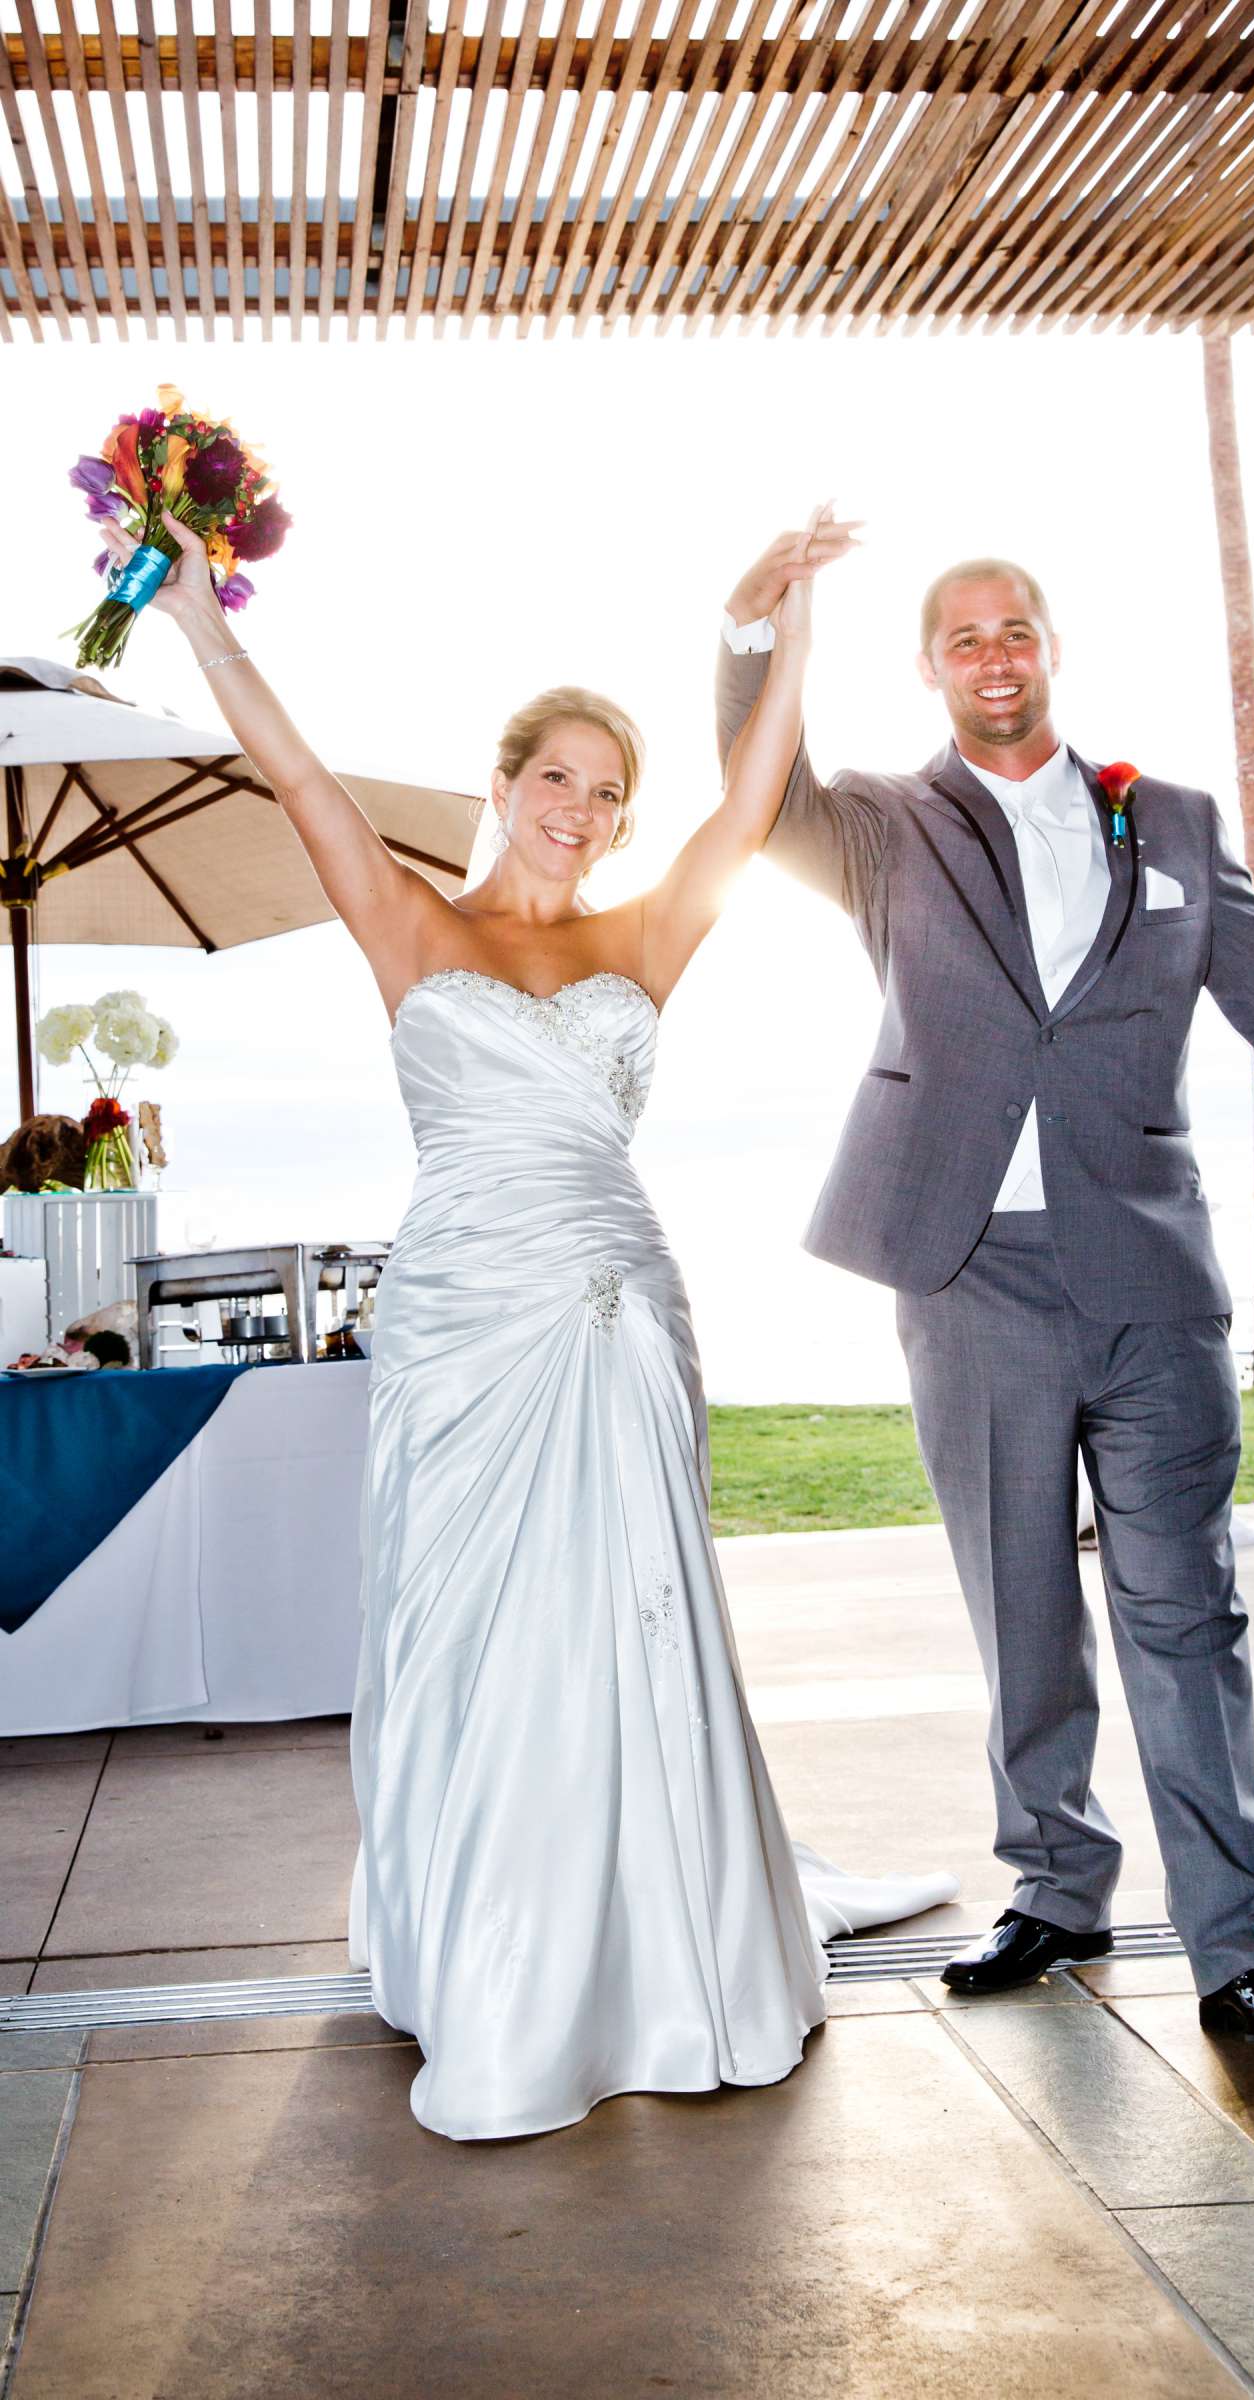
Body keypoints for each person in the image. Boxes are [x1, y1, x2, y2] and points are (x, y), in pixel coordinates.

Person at [106, 503, 953, 2140]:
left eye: (607, 795)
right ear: (502, 787)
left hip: (620, 1307)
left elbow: (753, 803)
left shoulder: (640, 939)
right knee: (475, 1628)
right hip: (459, 1325)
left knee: (632, 1619)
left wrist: (776, 627)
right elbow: (299, 782)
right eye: (556, 777)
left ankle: (660, 1944)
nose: (582, 810)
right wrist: (205, 619)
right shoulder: (414, 924)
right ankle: (492, 1952)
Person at [716, 539, 1254, 2043]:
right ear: (931, 668)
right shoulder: (882, 830)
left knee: (1185, 1613)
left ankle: (1238, 1946)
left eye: (1016, 628)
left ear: (1053, 647)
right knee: (1022, 1612)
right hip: (968, 1273)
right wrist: (753, 629)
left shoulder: (1176, 825)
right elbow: (760, 789)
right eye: (962, 637)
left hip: (1150, 1275)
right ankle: (1058, 1885)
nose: (993, 654)